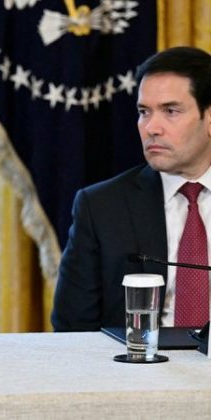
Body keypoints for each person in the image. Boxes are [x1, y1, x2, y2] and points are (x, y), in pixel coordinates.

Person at [52, 46, 211, 331]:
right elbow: (72, 329)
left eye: (170, 111)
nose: (151, 128)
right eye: (144, 112)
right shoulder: (101, 207)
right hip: (135, 358)